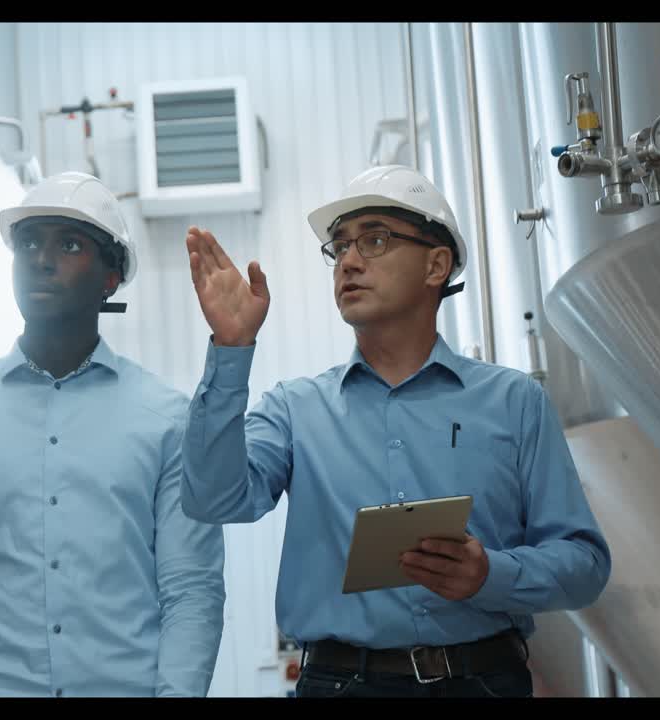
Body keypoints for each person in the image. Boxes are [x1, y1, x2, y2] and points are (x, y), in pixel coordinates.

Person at [179, 165, 611, 698]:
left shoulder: (514, 403)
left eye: (375, 239)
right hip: (340, 685)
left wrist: (491, 575)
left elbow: (585, 565)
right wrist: (230, 350)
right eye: (338, 248)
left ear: (436, 265)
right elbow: (211, 500)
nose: (349, 261)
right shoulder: (296, 409)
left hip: (482, 683)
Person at [0, 171, 226, 697]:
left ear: (111, 276)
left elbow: (191, 591)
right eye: (30, 242)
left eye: (70, 244)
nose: (42, 257)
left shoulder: (169, 422)